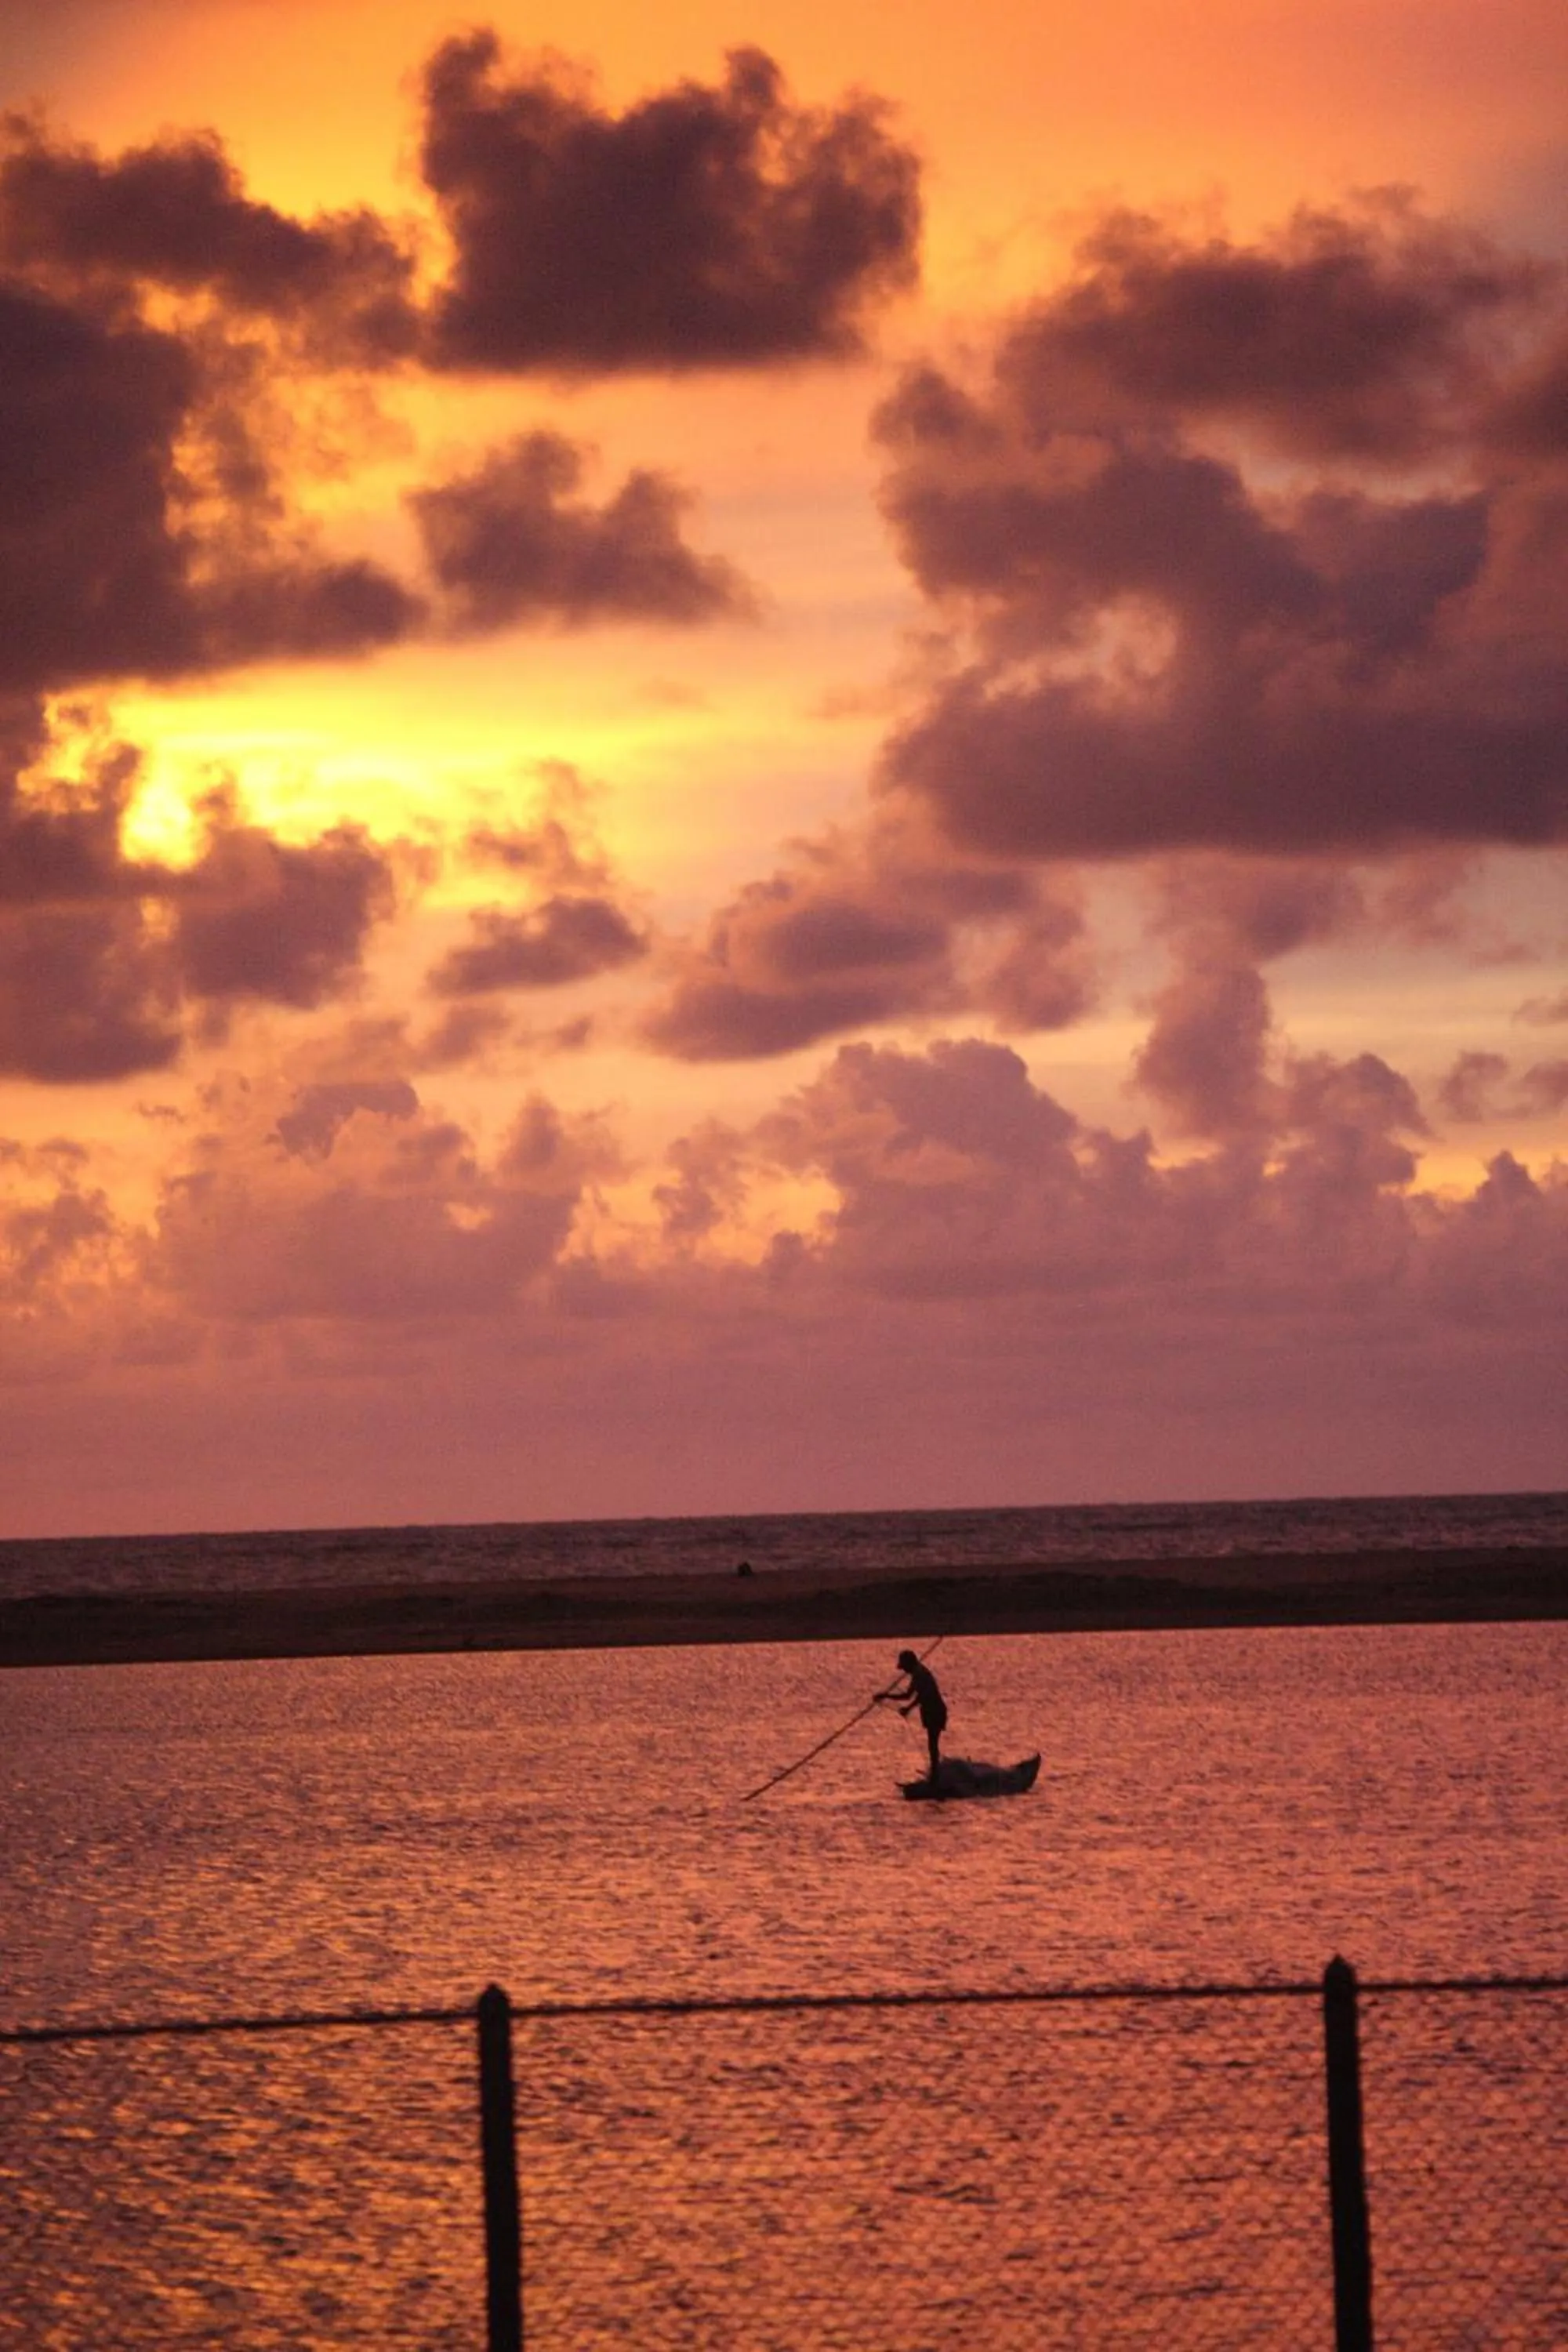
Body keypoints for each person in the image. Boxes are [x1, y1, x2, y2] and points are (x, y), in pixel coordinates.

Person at [877, 1649, 947, 1782]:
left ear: (909, 1664)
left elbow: (911, 1696)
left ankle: (936, 1776)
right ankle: (935, 1772)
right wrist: (906, 1707)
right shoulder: (918, 1673)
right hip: (929, 1710)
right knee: (932, 1744)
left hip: (935, 1710)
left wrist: (886, 1696)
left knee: (932, 1743)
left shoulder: (920, 1674)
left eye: (904, 1667)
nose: (904, 1671)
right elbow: (915, 1696)